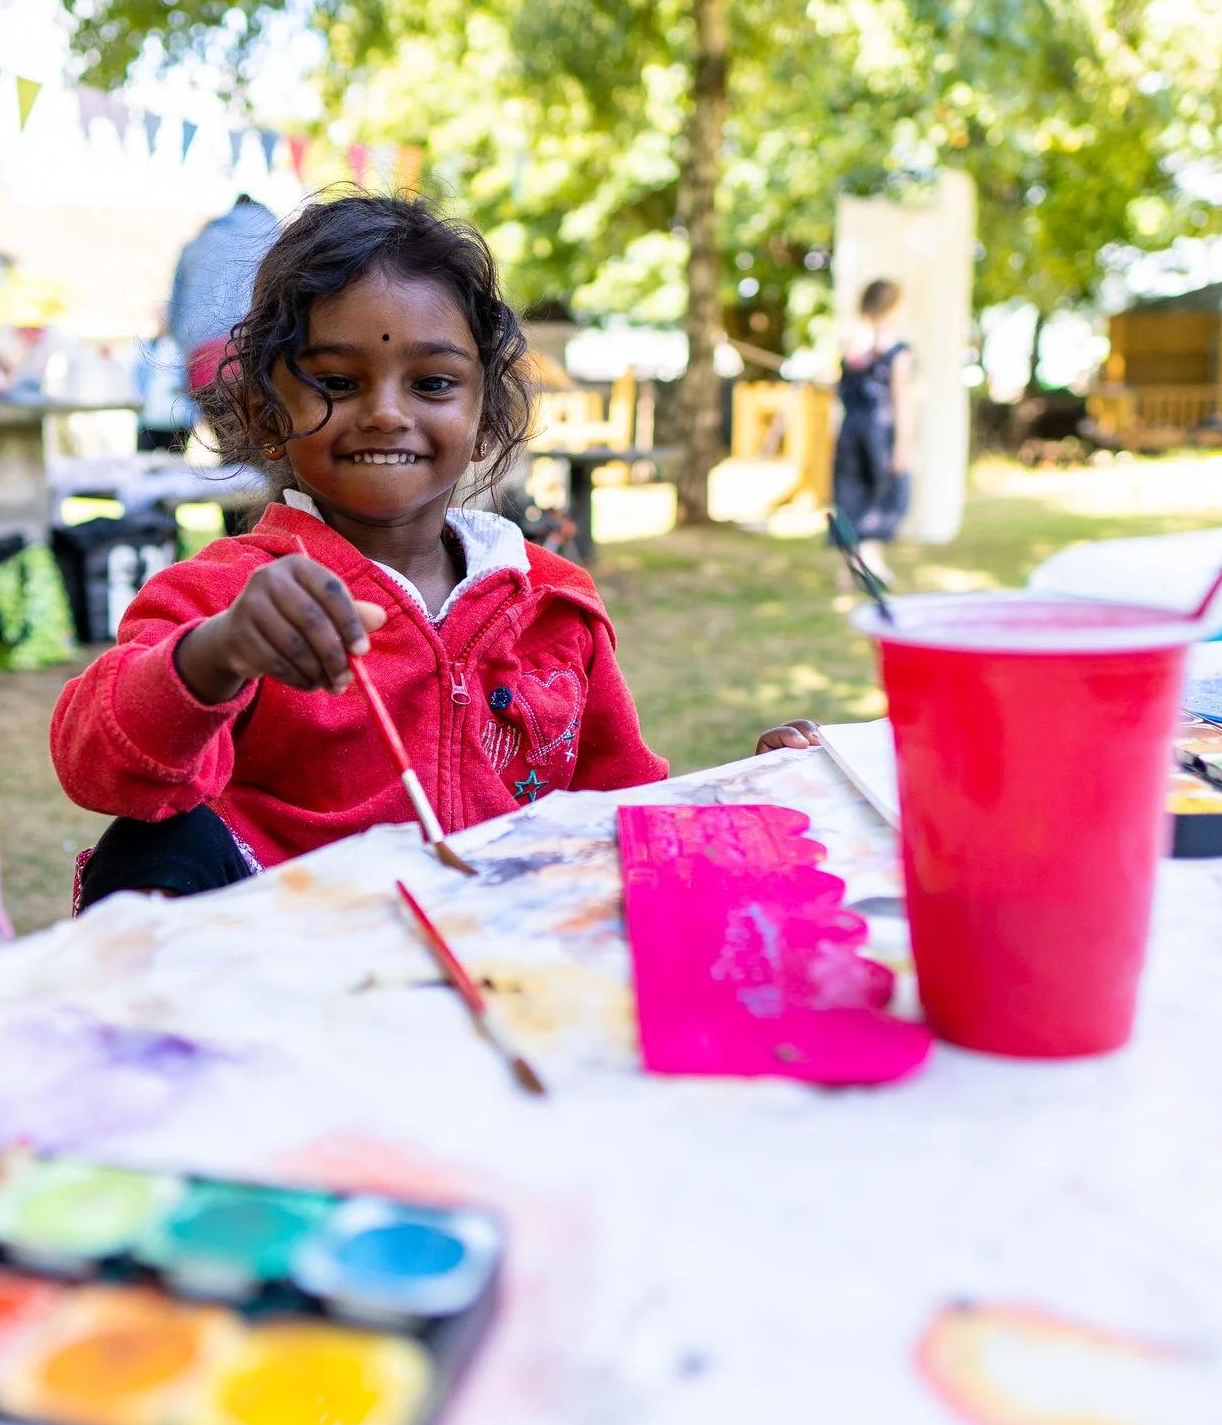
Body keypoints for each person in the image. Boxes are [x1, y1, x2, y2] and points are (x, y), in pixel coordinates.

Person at [51, 195, 819, 909]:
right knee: (152, 841)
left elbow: (620, 813)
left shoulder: (553, 607)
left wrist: (757, 786)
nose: (385, 412)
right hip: (285, 987)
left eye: (432, 382)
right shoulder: (225, 598)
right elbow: (100, 765)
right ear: (263, 408)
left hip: (500, 970)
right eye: (336, 380)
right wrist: (214, 657)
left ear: (486, 413)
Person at [834, 277, 917, 578]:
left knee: (851, 493)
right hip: (880, 433)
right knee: (885, 493)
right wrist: (902, 448)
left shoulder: (852, 348)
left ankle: (850, 566)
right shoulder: (895, 350)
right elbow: (901, 401)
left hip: (850, 431)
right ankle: (869, 558)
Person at [167, 193, 280, 394]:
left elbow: (174, 311)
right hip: (256, 353)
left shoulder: (198, 243)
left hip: (201, 359)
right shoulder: (279, 241)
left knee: (221, 423)